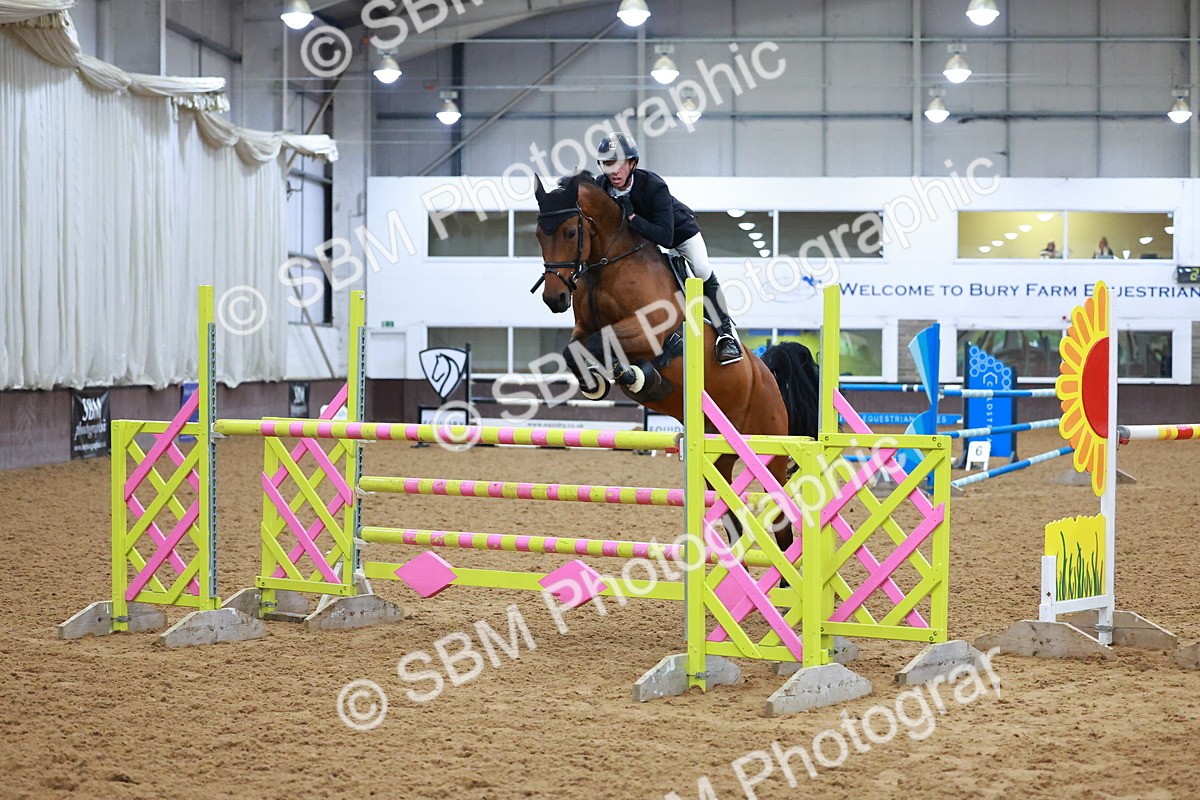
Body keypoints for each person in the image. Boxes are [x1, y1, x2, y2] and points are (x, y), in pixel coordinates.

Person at [593, 132, 742, 365]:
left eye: (620, 164)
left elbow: (665, 236)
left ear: (632, 164)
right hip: (639, 243)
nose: (614, 171)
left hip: (678, 234)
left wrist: (633, 218)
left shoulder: (654, 185)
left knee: (701, 270)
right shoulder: (601, 187)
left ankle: (727, 334)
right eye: (608, 164)